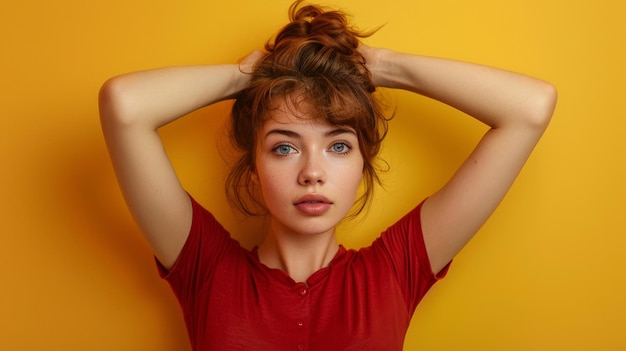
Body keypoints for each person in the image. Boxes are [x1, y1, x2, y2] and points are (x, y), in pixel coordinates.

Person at [98, 1, 557, 349]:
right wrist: (250, 75)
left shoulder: (396, 270)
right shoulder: (207, 268)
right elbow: (124, 106)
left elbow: (530, 108)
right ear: (254, 168)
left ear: (363, 164)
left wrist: (381, 66)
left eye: (338, 146)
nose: (312, 172)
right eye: (283, 147)